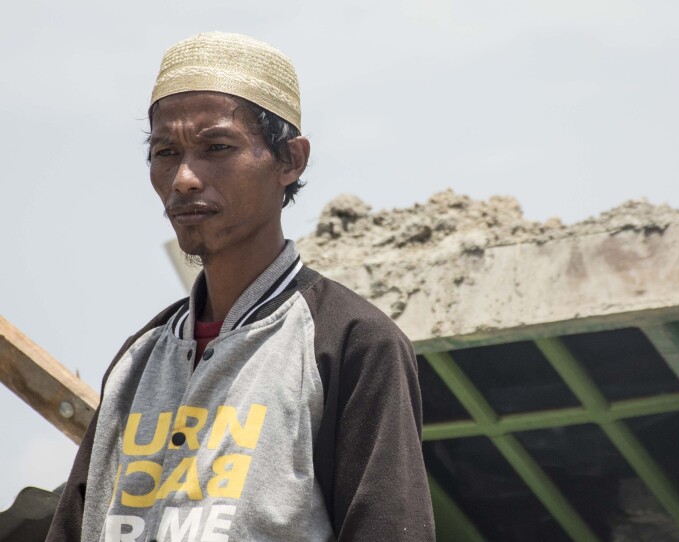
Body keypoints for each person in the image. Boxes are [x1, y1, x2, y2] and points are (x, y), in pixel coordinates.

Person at [47, 32, 435, 541]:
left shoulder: (348, 343)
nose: (184, 177)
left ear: (290, 160)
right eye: (166, 152)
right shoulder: (138, 362)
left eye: (217, 147)